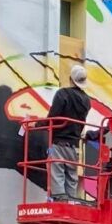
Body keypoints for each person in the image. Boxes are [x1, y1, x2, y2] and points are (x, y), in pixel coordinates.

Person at [47, 65, 93, 198]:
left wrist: (37, 124)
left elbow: (52, 118)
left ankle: (60, 201)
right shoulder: (87, 101)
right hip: (74, 145)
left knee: (57, 173)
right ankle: (71, 201)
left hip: (59, 142)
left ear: (70, 79)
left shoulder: (62, 94)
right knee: (71, 177)